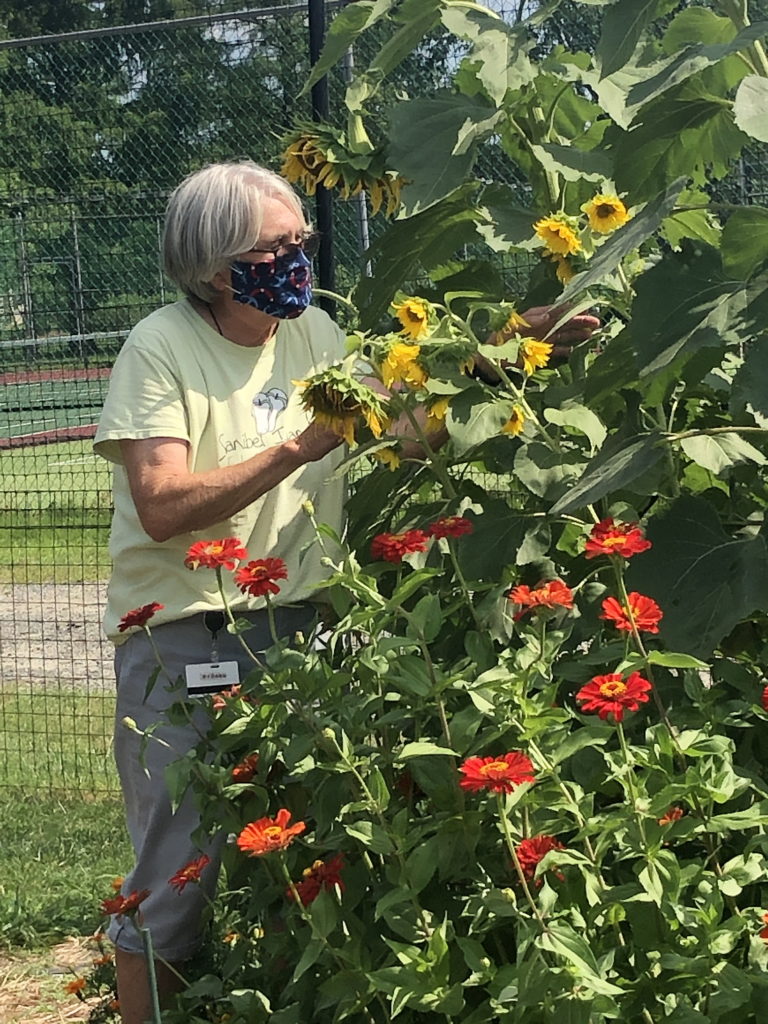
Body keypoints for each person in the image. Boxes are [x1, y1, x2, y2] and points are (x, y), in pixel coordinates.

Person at [93, 159, 599, 1024]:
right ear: (219, 267)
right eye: (279, 245)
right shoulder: (161, 347)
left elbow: (396, 435)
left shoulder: (314, 335)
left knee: (311, 841)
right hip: (184, 634)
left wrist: (506, 359)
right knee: (180, 869)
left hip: (303, 624)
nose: (299, 257)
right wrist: (299, 448)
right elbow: (162, 502)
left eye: (304, 240)